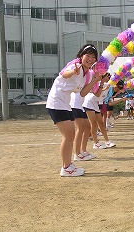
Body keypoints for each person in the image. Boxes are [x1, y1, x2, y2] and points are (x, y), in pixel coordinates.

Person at [46, 43, 101, 176]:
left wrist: (94, 81)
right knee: (68, 135)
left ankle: (68, 165)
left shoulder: (86, 73)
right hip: (56, 102)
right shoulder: (75, 65)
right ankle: (66, 167)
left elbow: (82, 93)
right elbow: (64, 74)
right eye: (87, 56)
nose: (90, 59)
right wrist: (73, 71)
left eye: (93, 57)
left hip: (65, 104)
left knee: (70, 135)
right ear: (81, 56)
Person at [82, 74, 117, 149]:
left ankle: (107, 141)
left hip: (95, 103)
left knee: (100, 123)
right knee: (93, 123)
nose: (109, 78)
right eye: (108, 77)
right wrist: (102, 84)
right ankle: (96, 143)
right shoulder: (99, 83)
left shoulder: (107, 85)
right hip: (89, 102)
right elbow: (97, 93)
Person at [70, 92, 96, 161]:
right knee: (80, 128)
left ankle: (83, 150)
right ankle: (77, 154)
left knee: (87, 127)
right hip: (75, 104)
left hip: (82, 105)